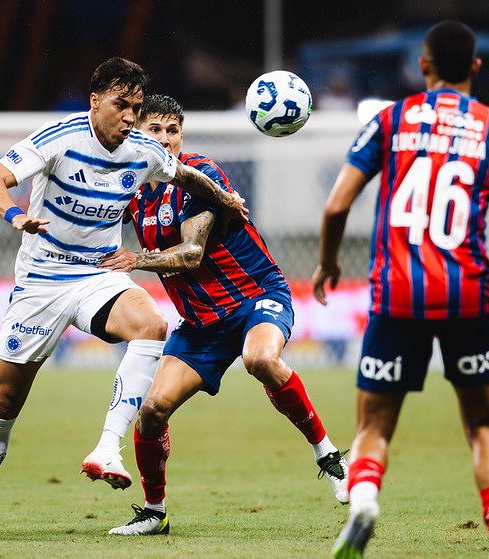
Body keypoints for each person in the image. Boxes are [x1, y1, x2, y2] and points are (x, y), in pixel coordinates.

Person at [0, 57, 248, 540]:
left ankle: (108, 447)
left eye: (136, 107)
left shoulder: (144, 150)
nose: (129, 117)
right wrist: (15, 216)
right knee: (4, 397)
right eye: (121, 105)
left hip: (100, 272)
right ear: (95, 102)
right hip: (41, 281)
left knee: (151, 325)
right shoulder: (57, 138)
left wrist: (228, 201)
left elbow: (186, 177)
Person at [311, 21, 489, 559]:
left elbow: (337, 204)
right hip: (469, 297)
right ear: (476, 68)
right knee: (484, 427)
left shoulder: (391, 120)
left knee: (374, 426)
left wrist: (327, 263)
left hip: (397, 294)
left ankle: (364, 500)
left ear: (423, 67)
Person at [99, 94, 349, 536]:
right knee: (153, 410)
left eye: (172, 130)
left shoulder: (202, 176)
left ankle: (328, 456)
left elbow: (192, 254)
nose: (165, 139)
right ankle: (155, 513)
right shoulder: (130, 187)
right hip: (201, 324)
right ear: (136, 134)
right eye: (154, 130)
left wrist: (136, 260)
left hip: (256, 300)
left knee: (260, 360)